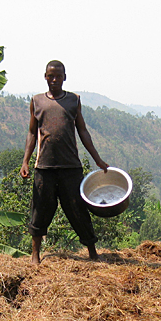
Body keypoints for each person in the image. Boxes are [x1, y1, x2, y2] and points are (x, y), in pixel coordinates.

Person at [20, 60, 109, 264]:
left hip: (71, 167)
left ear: (64, 77)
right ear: (45, 77)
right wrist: (25, 161)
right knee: (40, 209)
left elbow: (83, 131)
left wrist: (98, 159)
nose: (54, 80)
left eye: (58, 76)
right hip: (44, 167)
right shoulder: (37, 101)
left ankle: (92, 251)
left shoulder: (73, 100)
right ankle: (35, 254)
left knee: (78, 209)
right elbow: (32, 133)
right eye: (50, 76)